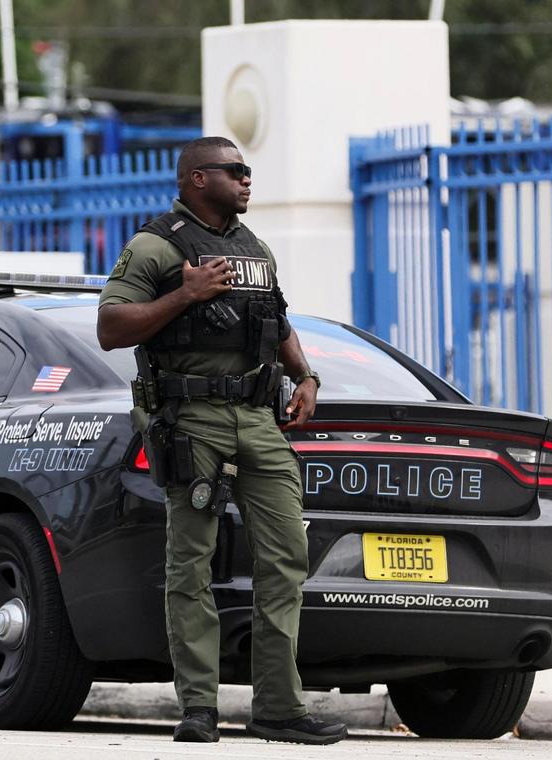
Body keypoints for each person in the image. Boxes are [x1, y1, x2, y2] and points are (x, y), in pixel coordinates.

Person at [96, 136, 347, 745]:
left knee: (287, 557)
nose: (247, 180)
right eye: (235, 172)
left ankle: (279, 709)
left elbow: (276, 320)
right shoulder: (156, 244)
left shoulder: (253, 248)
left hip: (259, 421)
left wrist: (305, 375)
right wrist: (185, 293)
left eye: (248, 171)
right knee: (192, 563)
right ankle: (199, 709)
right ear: (196, 179)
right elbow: (109, 327)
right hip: (193, 419)